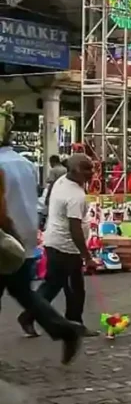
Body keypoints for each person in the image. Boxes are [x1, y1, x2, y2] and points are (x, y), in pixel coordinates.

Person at [0, 126, 84, 362]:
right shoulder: (25, 164)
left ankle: (65, 329)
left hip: (6, 238)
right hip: (24, 239)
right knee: (24, 292)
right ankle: (65, 329)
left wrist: (11, 232)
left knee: (26, 292)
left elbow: (2, 212)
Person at [18, 154, 97, 339]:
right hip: (65, 247)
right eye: (86, 168)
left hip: (57, 242)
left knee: (61, 285)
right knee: (63, 286)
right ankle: (32, 316)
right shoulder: (75, 195)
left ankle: (70, 321)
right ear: (75, 169)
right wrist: (87, 256)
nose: (91, 173)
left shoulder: (63, 181)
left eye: (91, 168)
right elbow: (75, 228)